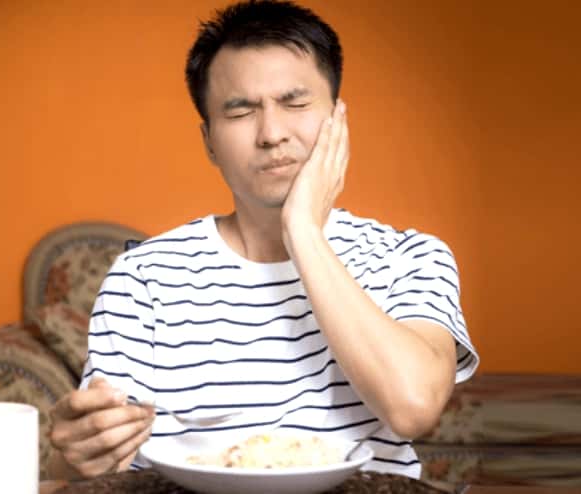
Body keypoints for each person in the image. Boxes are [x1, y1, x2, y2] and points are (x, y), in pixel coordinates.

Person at [46, 0, 479, 481]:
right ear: (209, 142)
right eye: (240, 111)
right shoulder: (142, 278)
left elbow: (413, 407)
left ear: (337, 118)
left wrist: (303, 231)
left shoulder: (410, 257)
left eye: (295, 103)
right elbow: (95, 464)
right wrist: (75, 451)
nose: (272, 134)